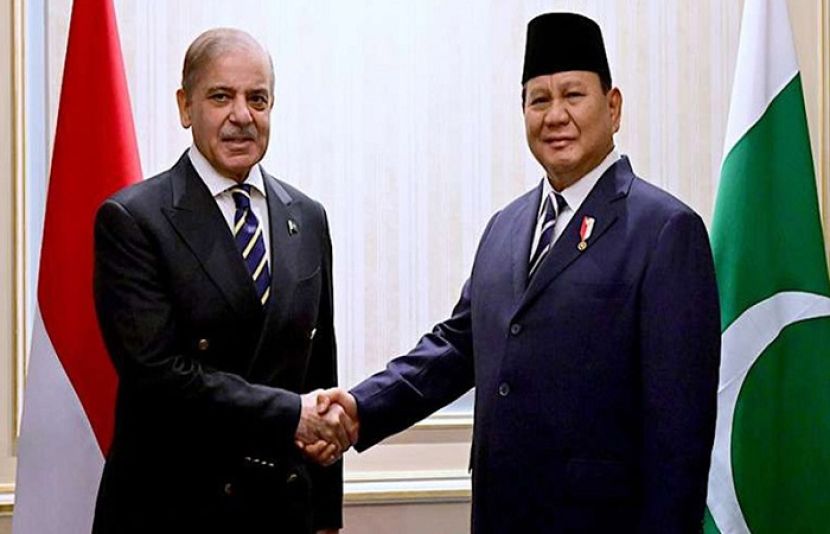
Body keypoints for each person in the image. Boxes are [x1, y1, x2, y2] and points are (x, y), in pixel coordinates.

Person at [310, 13, 721, 533]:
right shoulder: (505, 228)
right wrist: (360, 407)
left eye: (573, 95)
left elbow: (679, 440)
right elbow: (456, 348)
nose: (556, 115)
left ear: (613, 107)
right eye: (539, 100)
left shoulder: (665, 230)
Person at [92, 28, 354, 534]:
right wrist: (290, 415)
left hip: (281, 510)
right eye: (220, 97)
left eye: (257, 99)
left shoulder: (307, 217)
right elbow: (159, 377)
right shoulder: (133, 220)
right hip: (174, 508)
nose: (242, 115)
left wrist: (326, 514)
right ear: (185, 107)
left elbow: (318, 366)